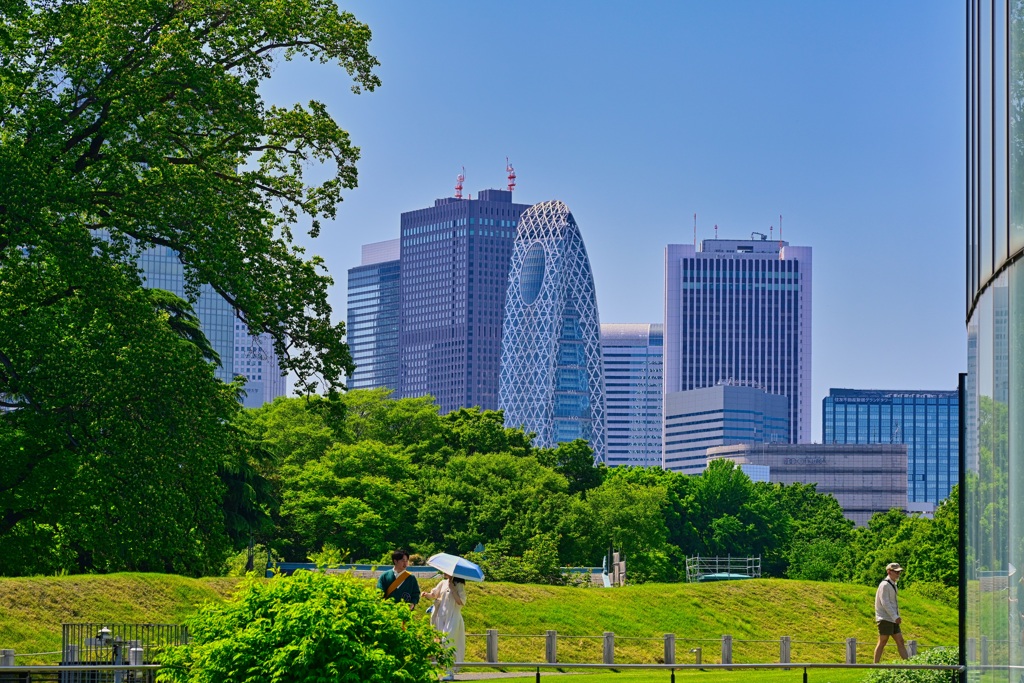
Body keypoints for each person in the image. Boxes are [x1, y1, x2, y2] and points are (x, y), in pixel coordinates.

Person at [422, 573, 466, 681]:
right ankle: (446, 670)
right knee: (441, 644)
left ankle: (450, 672)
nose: (443, 572)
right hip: (441, 618)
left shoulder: (459, 585)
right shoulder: (442, 583)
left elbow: (461, 602)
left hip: (453, 617)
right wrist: (426, 594)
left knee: (448, 642)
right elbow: (434, 595)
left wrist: (453, 589)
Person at [874, 562, 909, 663]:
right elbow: (885, 603)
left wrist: (895, 616)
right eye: (896, 572)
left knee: (900, 641)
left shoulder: (893, 584)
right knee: (883, 641)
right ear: (889, 572)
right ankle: (875, 666)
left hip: (892, 618)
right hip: (885, 618)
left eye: (899, 572)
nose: (898, 574)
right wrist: (895, 616)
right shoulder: (884, 585)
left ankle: (908, 665)